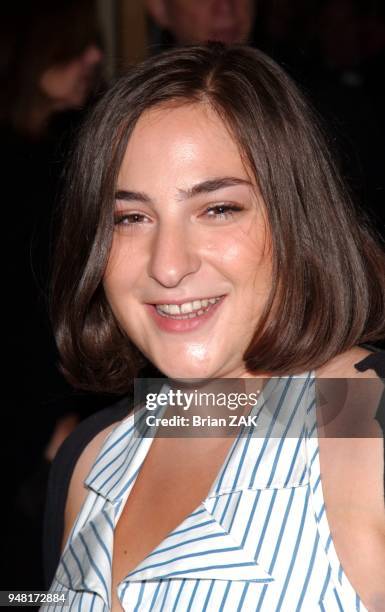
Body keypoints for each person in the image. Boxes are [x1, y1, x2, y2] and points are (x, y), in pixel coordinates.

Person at [43, 44, 385, 611]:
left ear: (296, 216)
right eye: (131, 218)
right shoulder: (92, 458)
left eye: (219, 208)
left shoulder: (364, 430)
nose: (168, 264)